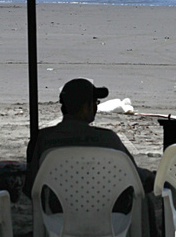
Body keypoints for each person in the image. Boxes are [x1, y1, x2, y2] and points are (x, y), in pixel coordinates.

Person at [25, 77, 153, 195]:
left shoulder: (42, 139)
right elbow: (134, 176)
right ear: (86, 107)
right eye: (95, 102)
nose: (96, 107)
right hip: (106, 210)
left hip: (55, 214)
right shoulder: (108, 140)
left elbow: (30, 186)